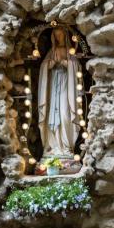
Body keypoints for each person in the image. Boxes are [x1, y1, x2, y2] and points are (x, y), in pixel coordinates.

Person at [38, 27, 81, 159]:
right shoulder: (51, 51)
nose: (58, 38)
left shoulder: (70, 51)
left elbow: (76, 66)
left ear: (65, 36)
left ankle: (67, 146)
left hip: (66, 86)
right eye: (56, 35)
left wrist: (64, 63)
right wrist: (50, 64)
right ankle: (53, 146)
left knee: (64, 113)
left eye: (60, 35)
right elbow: (44, 66)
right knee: (52, 114)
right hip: (53, 87)